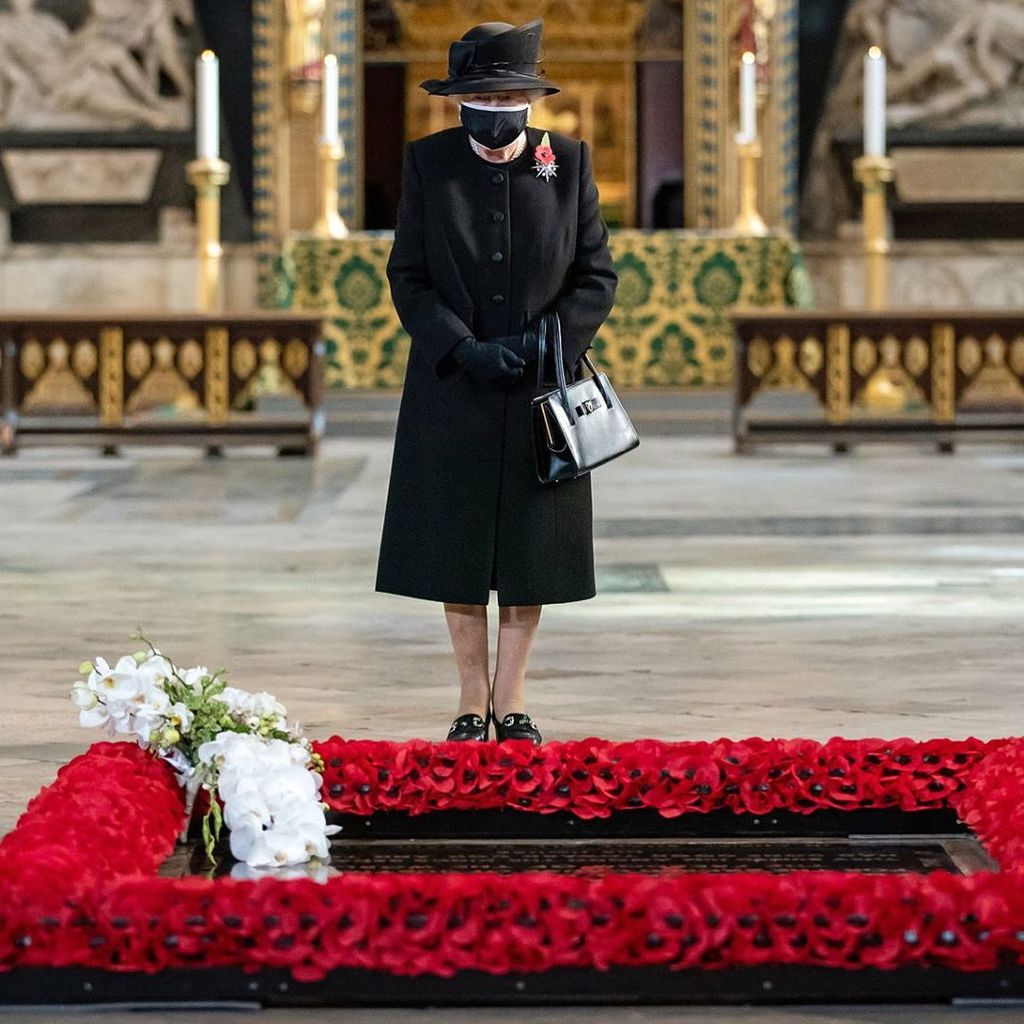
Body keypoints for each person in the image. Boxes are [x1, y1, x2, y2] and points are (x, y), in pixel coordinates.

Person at [374, 18, 617, 745]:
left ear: (530, 100)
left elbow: (596, 275)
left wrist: (546, 341)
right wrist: (463, 347)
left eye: (511, 93)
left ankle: (510, 702)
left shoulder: (566, 162)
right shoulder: (429, 164)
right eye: (482, 95)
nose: (497, 106)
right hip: (455, 388)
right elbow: (408, 275)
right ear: (459, 102)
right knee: (456, 546)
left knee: (529, 552)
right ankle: (467, 700)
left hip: (542, 389)